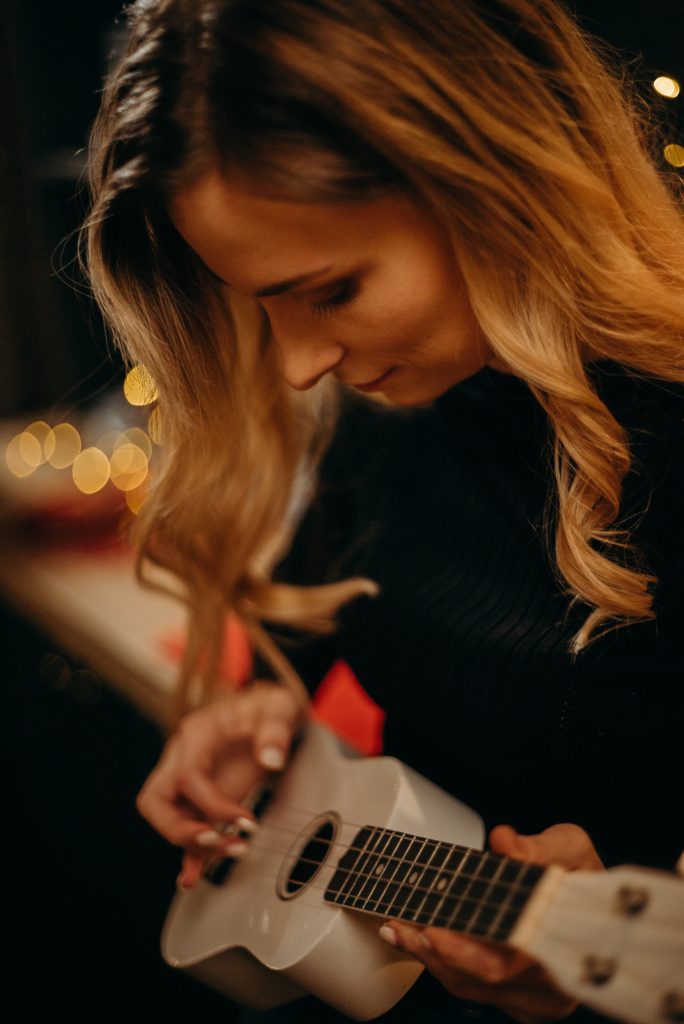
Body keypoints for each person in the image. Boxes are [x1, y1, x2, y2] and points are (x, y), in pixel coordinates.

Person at [82, 1, 684, 1021]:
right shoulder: (403, 393)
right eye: (259, 301)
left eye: (332, 291)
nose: (298, 363)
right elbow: (339, 595)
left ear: (493, 182)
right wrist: (263, 708)